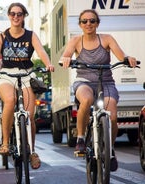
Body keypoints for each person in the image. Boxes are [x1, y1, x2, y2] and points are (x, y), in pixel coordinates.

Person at [59, 9, 137, 172]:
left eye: (92, 21)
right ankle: (80, 138)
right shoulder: (75, 41)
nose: (88, 24)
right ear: (80, 24)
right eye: (84, 21)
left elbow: (121, 55)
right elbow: (65, 55)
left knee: (113, 117)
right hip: (84, 82)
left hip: (106, 82)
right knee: (86, 100)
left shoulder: (107, 39)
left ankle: (110, 148)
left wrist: (128, 59)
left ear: (97, 23)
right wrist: (66, 59)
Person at [0, 2, 54, 170]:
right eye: (13, 14)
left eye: (19, 14)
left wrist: (49, 64)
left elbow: (41, 51)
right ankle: (5, 143)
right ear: (9, 16)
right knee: (10, 100)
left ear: (24, 16)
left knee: (30, 116)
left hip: (26, 74)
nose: (16, 17)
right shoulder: (2, 36)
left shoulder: (31, 35)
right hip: (6, 75)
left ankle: (32, 151)